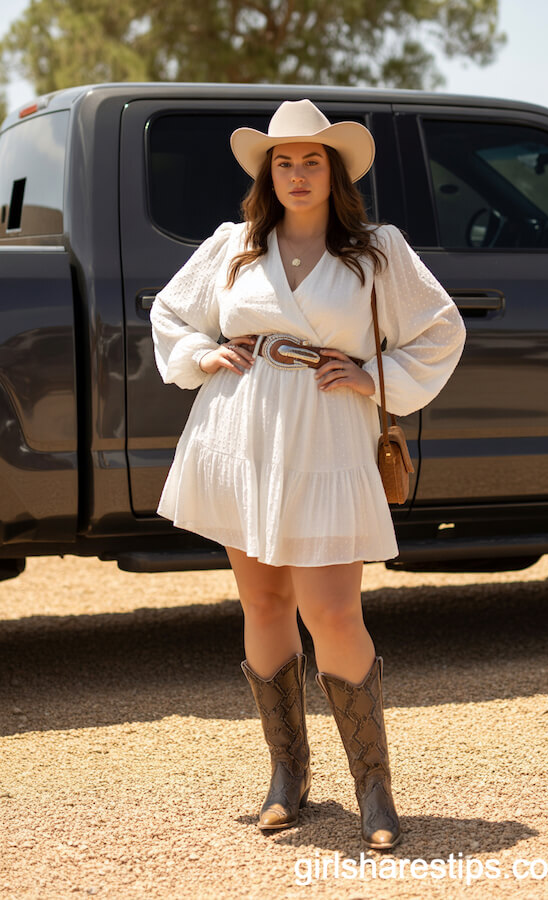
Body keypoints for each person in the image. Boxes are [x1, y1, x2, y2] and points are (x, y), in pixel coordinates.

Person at [150, 98, 466, 850]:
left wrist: (375, 374)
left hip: (326, 431)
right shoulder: (233, 245)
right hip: (241, 426)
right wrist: (203, 356)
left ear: (334, 173)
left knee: (331, 610)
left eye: (310, 161)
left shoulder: (376, 250)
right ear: (269, 174)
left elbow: (441, 327)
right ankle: (287, 776)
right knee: (262, 604)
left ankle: (374, 789)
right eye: (283, 162)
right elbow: (171, 313)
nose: (296, 174)